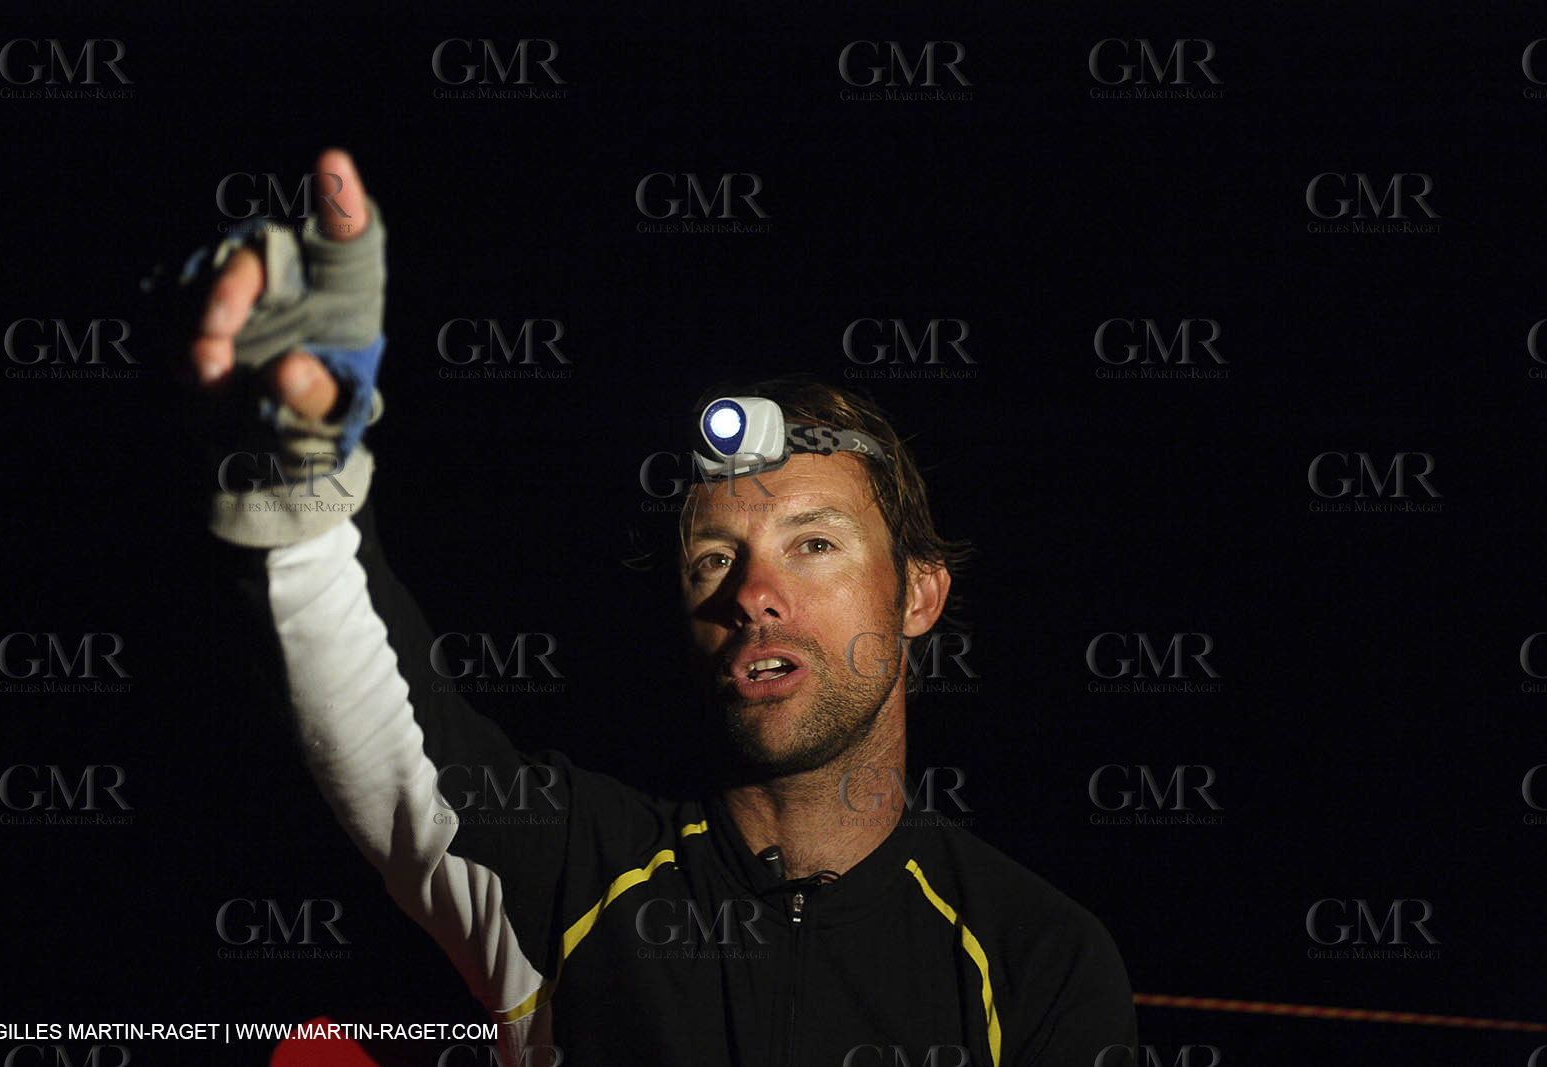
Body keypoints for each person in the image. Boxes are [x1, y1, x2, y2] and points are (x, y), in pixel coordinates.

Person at [187, 147, 1137, 1066]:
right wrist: (298, 472)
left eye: (815, 544)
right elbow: (377, 723)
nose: (755, 595)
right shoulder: (566, 870)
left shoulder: (1036, 958)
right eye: (713, 559)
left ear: (919, 594)